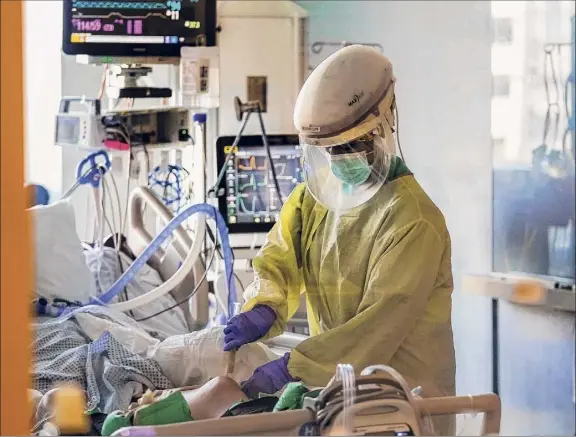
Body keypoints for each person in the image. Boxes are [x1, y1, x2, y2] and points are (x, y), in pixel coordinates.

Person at [223, 44, 456, 424]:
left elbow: (374, 328)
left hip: (404, 402)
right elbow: (279, 258)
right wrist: (265, 305)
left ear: (384, 125)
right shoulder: (315, 199)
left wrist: (295, 367)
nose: (340, 158)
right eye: (330, 149)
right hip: (336, 394)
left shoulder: (414, 222)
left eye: (353, 145)